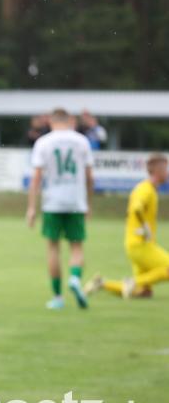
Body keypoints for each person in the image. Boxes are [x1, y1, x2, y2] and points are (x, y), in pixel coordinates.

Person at [26, 108, 94, 310]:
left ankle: (57, 297)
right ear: (71, 120)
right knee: (76, 246)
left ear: (50, 121)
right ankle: (74, 278)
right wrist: (88, 202)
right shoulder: (82, 141)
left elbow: (36, 178)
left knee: (53, 247)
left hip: (52, 202)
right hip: (76, 201)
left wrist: (31, 208)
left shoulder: (43, 142)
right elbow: (90, 177)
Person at [85, 154, 169, 298]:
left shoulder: (149, 189)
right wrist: (145, 226)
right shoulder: (146, 189)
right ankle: (132, 281)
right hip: (141, 245)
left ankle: (102, 284)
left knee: (144, 292)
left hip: (135, 244)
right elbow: (136, 208)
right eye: (166, 169)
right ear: (157, 171)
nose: (167, 173)